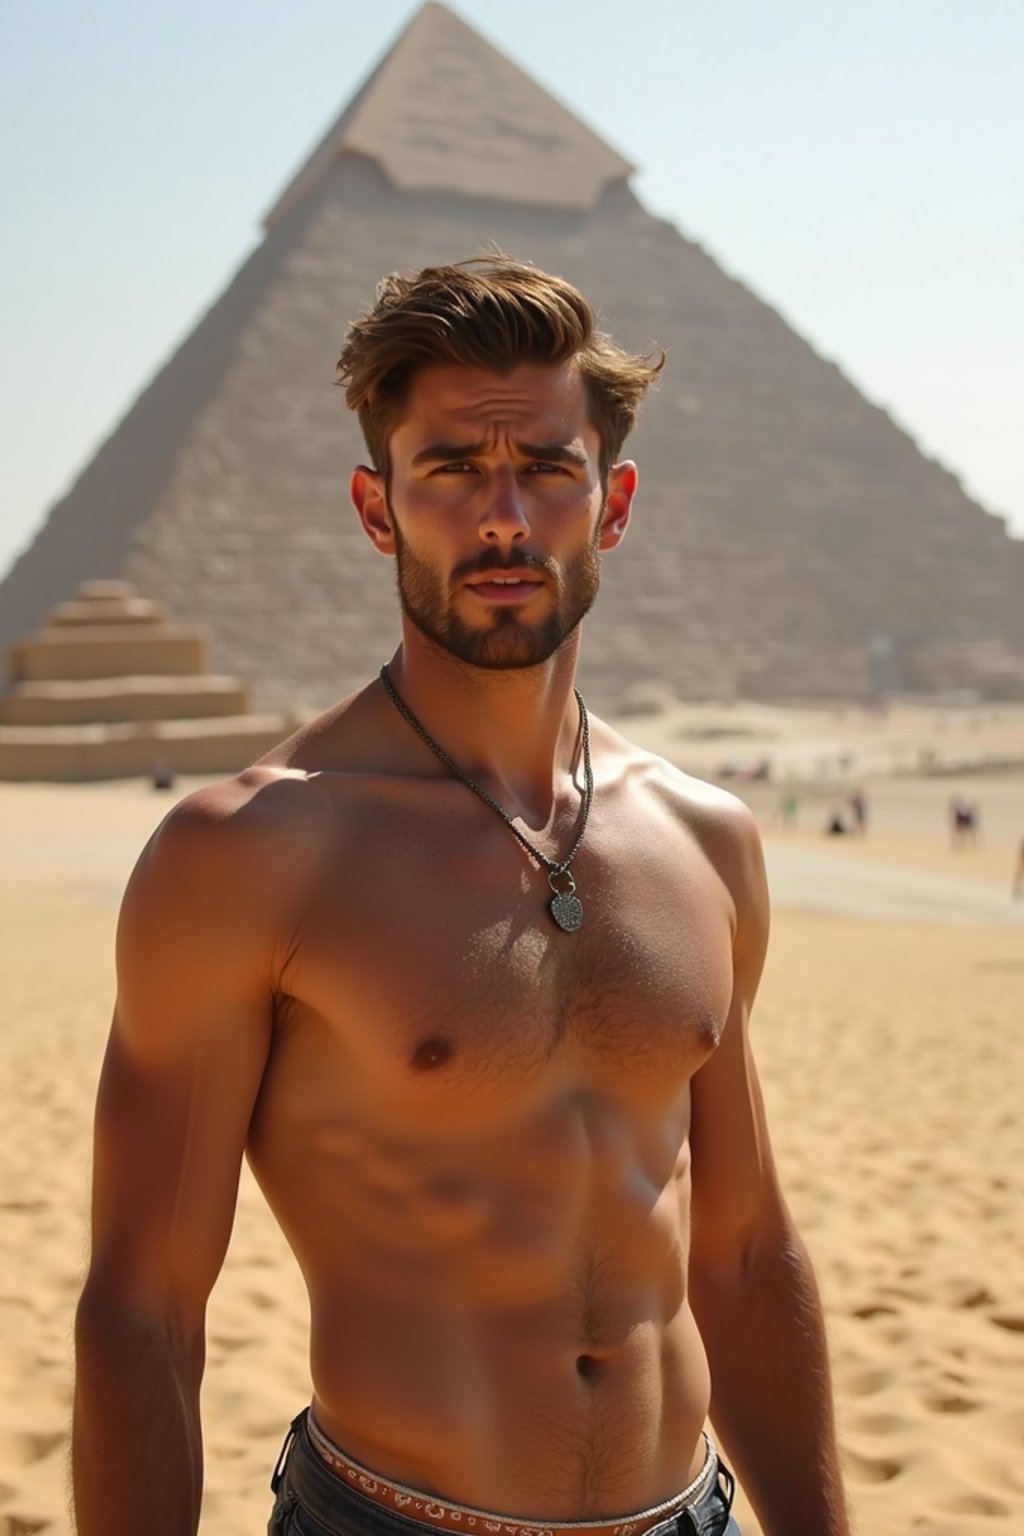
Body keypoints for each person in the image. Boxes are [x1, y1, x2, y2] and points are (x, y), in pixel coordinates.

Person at [73, 258, 850, 1536]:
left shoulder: (708, 842)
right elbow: (143, 1303)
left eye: (547, 468)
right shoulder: (251, 853)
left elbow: (748, 1248)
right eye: (450, 471)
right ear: (378, 510)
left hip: (688, 1514)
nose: (503, 518)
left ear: (614, 504)